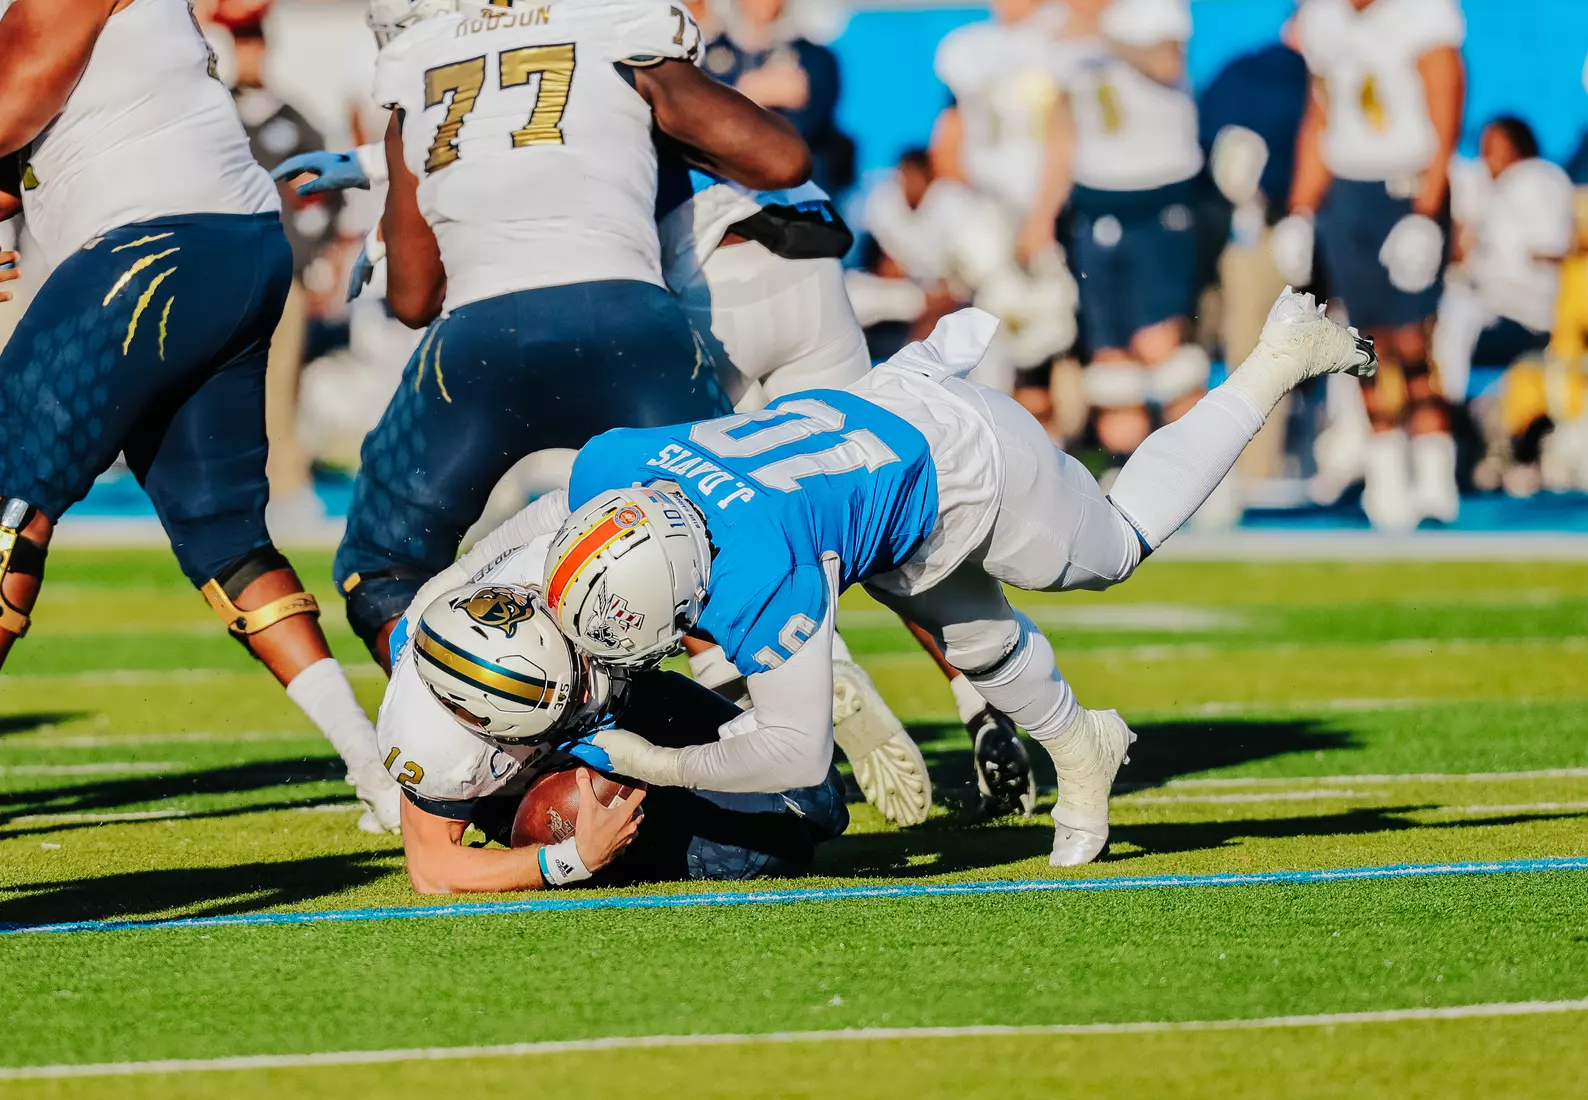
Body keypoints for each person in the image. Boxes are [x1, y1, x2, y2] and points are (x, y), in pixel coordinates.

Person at [424, 289, 1375, 867]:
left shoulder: (766, 573)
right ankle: (1083, 748)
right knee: (976, 639)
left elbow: (796, 757)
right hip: (859, 440)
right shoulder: (609, 471)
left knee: (1115, 547)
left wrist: (659, 764)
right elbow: (551, 528)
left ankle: (1278, 357)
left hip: (962, 460)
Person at [0, 0, 400, 832]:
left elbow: (15, 99)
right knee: (223, 537)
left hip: (153, 244)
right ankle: (379, 773)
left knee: (8, 503)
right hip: (233, 244)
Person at [329, 0, 812, 669]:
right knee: (720, 557)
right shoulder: (613, 20)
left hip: (477, 346)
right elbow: (782, 159)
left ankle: (489, 730)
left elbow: (413, 299)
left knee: (381, 568)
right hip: (629, 326)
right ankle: (778, 742)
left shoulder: (416, 59)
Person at [381, 553, 846, 893]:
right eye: (566, 702)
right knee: (774, 848)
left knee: (820, 798)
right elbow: (433, 869)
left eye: (575, 671)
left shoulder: (547, 564)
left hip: (633, 696)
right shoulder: (436, 742)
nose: (585, 696)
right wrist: (568, 859)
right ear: (485, 724)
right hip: (549, 781)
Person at [1274, 0, 1465, 530]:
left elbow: (1445, 106)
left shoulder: (1424, 13)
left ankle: (1433, 470)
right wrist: (1300, 209)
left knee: (1412, 338)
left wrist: (1428, 211)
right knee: (1364, 338)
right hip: (1349, 188)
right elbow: (1319, 116)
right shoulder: (1322, 16)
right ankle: (1385, 473)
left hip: (1406, 184)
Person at [1022, 0, 1207, 470]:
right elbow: (1063, 132)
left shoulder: (1151, 11)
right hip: (1094, 203)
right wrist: (1040, 215)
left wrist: (1105, 35)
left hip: (1158, 196)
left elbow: (1169, 63)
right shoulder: (1057, 30)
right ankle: (1129, 477)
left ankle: (1201, 471)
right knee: (1109, 360)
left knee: (1161, 347)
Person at [1433, 117, 1575, 408]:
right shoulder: (1489, 188)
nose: (1487, 155)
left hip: (1527, 306)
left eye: (1495, 145)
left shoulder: (1536, 177)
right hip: (1491, 300)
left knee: (1455, 316)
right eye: (1483, 147)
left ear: (1517, 144)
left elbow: (1555, 247)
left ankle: (1447, 413)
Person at [702, 0, 849, 195]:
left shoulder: (814, 57)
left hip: (796, 197)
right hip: (722, 196)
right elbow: (701, 124)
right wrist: (747, 92)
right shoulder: (706, 55)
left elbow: (811, 127)